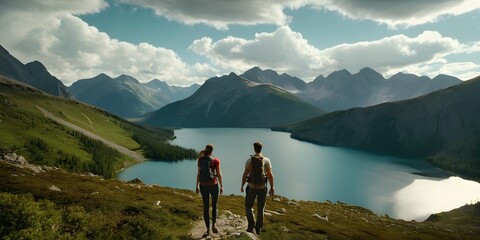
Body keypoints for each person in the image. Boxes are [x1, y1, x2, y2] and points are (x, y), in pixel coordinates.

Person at [241, 142, 274, 235]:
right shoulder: (267, 160)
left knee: (248, 206)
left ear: (254, 149)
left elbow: (245, 174)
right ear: (261, 149)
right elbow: (270, 175)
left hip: (251, 187)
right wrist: (272, 187)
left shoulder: (249, 160)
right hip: (262, 188)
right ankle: (258, 228)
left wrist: (242, 185)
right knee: (261, 208)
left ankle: (251, 226)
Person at [196, 144, 223, 238]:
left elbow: (198, 173)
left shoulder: (200, 159)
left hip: (203, 186)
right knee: (214, 206)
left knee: (206, 207)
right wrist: (222, 186)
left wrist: (196, 186)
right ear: (212, 151)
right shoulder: (215, 160)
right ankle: (214, 225)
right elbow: (219, 174)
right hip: (213, 185)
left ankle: (207, 229)